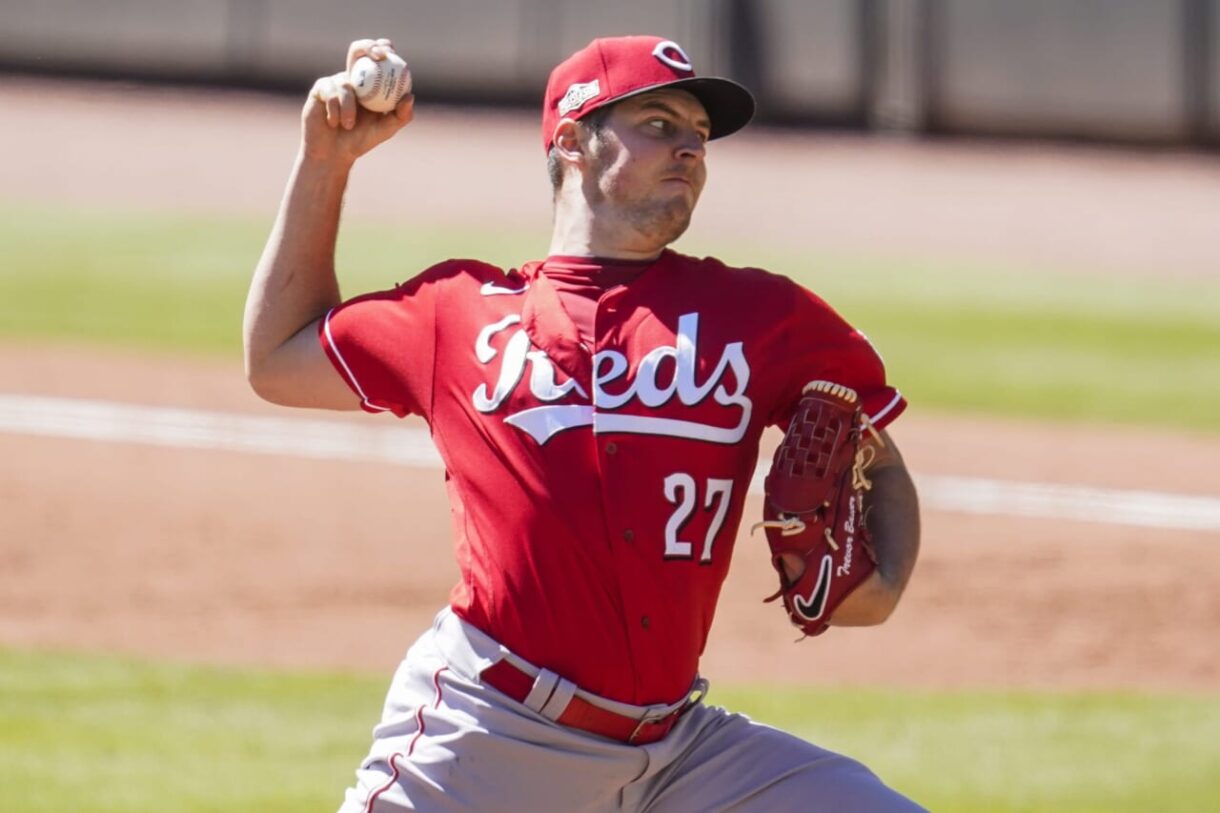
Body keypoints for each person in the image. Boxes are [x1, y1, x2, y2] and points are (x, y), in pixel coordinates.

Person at [244, 33, 924, 813]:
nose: (690, 152)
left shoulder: (764, 316)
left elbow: (878, 449)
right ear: (570, 139)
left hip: (679, 754)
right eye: (661, 126)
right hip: (489, 736)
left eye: (699, 138)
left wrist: (882, 583)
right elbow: (278, 356)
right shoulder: (458, 312)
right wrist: (326, 163)